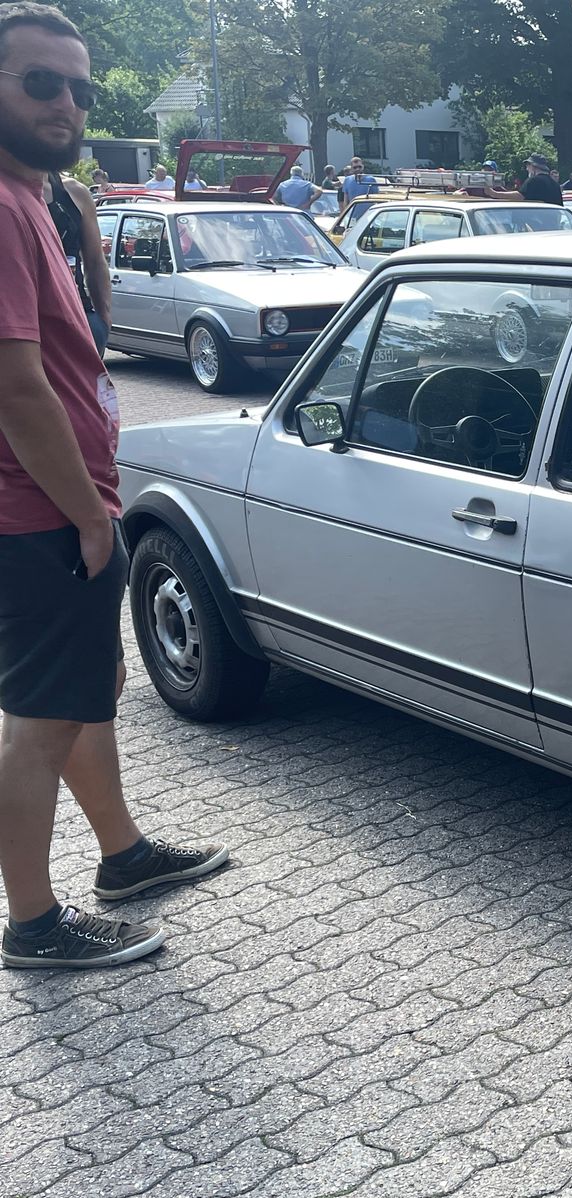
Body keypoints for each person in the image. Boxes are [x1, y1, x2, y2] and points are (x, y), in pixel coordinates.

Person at [0, 2, 229, 971]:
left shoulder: (34, 199)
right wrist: (89, 518)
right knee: (43, 720)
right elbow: (16, 387)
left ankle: (123, 856)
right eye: (40, 82)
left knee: (87, 694)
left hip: (62, 506)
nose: (67, 103)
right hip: (43, 514)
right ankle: (33, 925)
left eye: (81, 89)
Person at [45, 170, 107, 354]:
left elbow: (95, 261)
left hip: (78, 314)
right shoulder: (9, 194)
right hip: (22, 321)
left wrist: (103, 319)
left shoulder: (74, 191)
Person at [488, 153, 561, 205]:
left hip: (535, 221)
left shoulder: (533, 180)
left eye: (527, 166)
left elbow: (519, 196)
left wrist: (494, 194)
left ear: (533, 166)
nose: (527, 169)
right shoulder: (555, 185)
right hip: (553, 221)